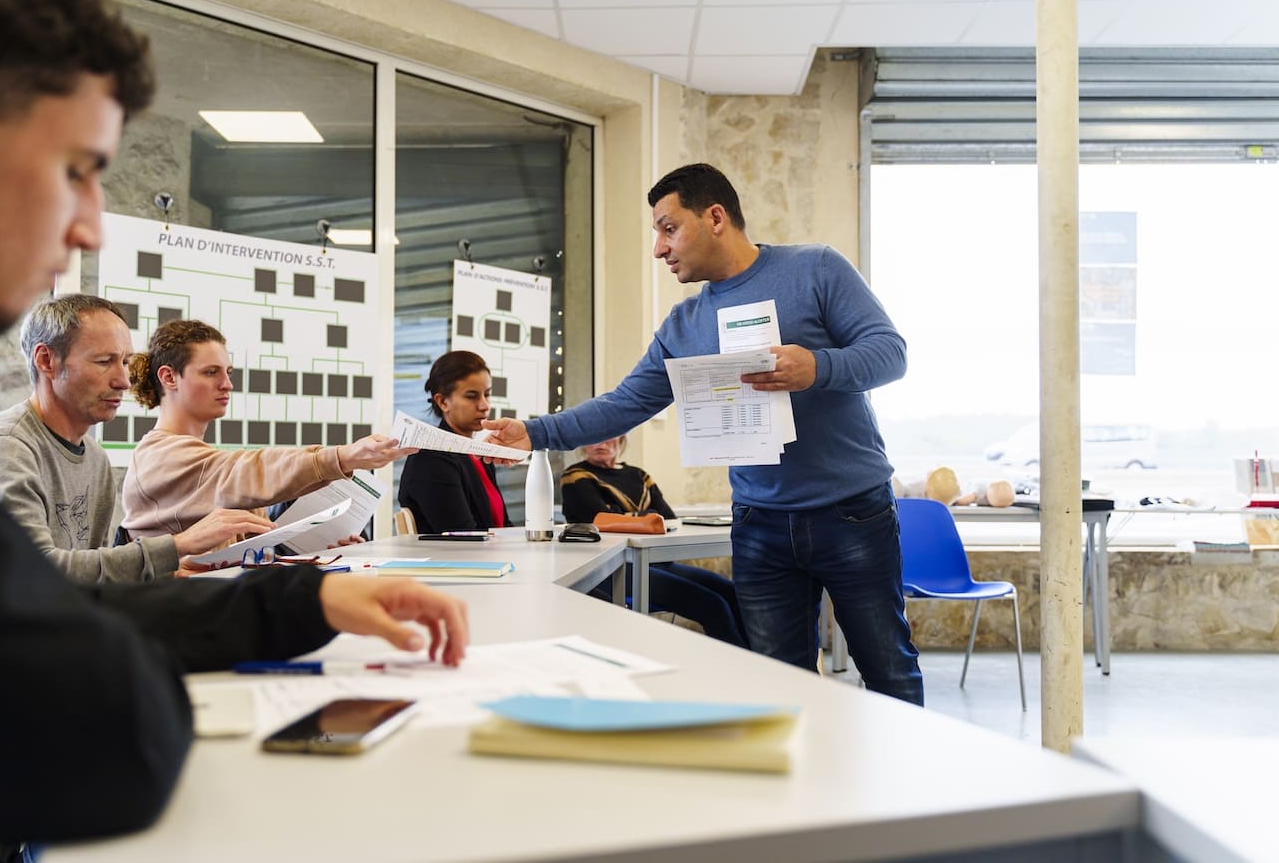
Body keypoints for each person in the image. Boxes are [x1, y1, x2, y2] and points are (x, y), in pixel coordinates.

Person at [0, 0, 467, 855]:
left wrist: (299, 606)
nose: (82, 221)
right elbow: (81, 728)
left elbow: (20, 605)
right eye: (74, 169)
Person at [485, 163, 922, 705]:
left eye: (669, 228)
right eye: (656, 233)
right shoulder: (683, 326)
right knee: (778, 686)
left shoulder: (816, 269)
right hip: (760, 525)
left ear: (715, 217)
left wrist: (817, 366)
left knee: (888, 670)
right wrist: (533, 432)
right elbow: (625, 403)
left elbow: (890, 354)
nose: (659, 248)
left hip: (852, 514)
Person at [0, 294, 272, 582]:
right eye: (104, 362)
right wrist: (175, 547)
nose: (123, 380)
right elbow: (32, 573)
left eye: (124, 362)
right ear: (46, 361)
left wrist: (161, 574)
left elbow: (90, 574)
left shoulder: (94, 459)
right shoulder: (5, 446)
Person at [122, 318, 410, 551]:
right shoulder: (158, 456)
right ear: (169, 377)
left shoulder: (201, 459)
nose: (227, 384)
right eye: (211, 372)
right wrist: (343, 457)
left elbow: (252, 551)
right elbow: (245, 470)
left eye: (228, 372)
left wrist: (316, 548)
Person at [562, 436, 748, 648]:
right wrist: (646, 516)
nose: (600, 443)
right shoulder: (575, 476)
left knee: (730, 592)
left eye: (608, 436)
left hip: (655, 560)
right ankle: (743, 671)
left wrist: (628, 516)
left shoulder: (639, 475)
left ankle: (763, 661)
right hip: (612, 567)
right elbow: (599, 518)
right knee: (712, 605)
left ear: (621, 439)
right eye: (593, 437)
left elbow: (667, 517)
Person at [396, 350, 511, 533]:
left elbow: (504, 527)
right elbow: (464, 537)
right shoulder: (431, 457)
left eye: (487, 394)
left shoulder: (479, 453)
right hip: (458, 560)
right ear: (443, 402)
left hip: (493, 557)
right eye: (472, 396)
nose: (484, 405)